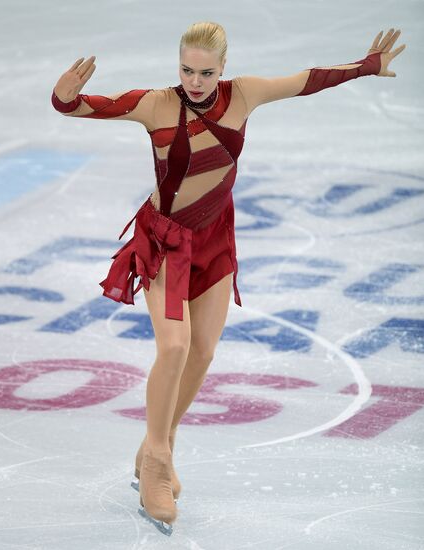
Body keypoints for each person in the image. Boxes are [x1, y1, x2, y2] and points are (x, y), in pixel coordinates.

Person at [51, 21, 405, 536]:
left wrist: (366, 66)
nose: (195, 81)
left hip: (214, 238)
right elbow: (88, 106)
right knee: (174, 347)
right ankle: (154, 461)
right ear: (178, 67)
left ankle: (161, 445)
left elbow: (304, 79)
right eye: (187, 70)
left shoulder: (244, 94)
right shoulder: (156, 105)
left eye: (206, 72)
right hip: (167, 240)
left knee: (202, 353)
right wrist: (64, 98)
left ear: (223, 67)